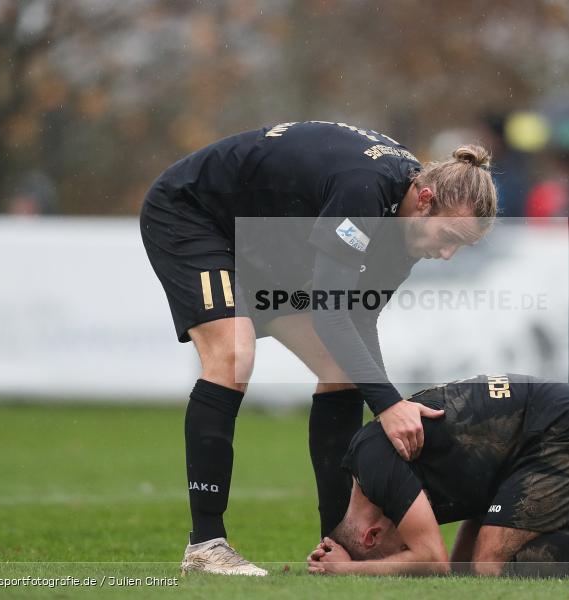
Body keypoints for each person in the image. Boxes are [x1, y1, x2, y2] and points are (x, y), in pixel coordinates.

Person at [139, 121, 498, 575]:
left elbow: (358, 315)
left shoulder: (406, 223)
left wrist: (386, 402)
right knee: (233, 352)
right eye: (448, 238)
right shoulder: (364, 190)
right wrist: (388, 406)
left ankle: (337, 544)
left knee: (341, 369)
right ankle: (205, 545)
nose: (446, 255)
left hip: (261, 242)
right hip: (193, 213)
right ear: (425, 200)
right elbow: (331, 313)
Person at [307, 374, 569, 582]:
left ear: (370, 537)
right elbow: (457, 570)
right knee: (492, 566)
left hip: (568, 428)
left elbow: (432, 560)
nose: (403, 550)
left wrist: (347, 573)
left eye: (389, 553)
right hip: (529, 442)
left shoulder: (378, 470)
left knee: (493, 563)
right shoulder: (368, 477)